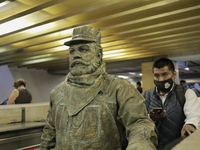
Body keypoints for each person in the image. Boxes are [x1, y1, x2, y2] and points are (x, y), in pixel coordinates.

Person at [40, 26, 157, 150]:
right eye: (72, 51)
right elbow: (49, 134)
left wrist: (140, 145)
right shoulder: (57, 93)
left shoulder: (120, 89)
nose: (76, 55)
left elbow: (139, 124)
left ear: (99, 55)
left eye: (83, 50)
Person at [144, 58, 200, 149]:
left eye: (165, 74)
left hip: (176, 146)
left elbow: (194, 115)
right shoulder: (145, 96)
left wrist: (190, 124)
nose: (161, 79)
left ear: (174, 74)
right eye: (156, 75)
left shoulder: (185, 93)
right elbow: (138, 120)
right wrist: (151, 118)